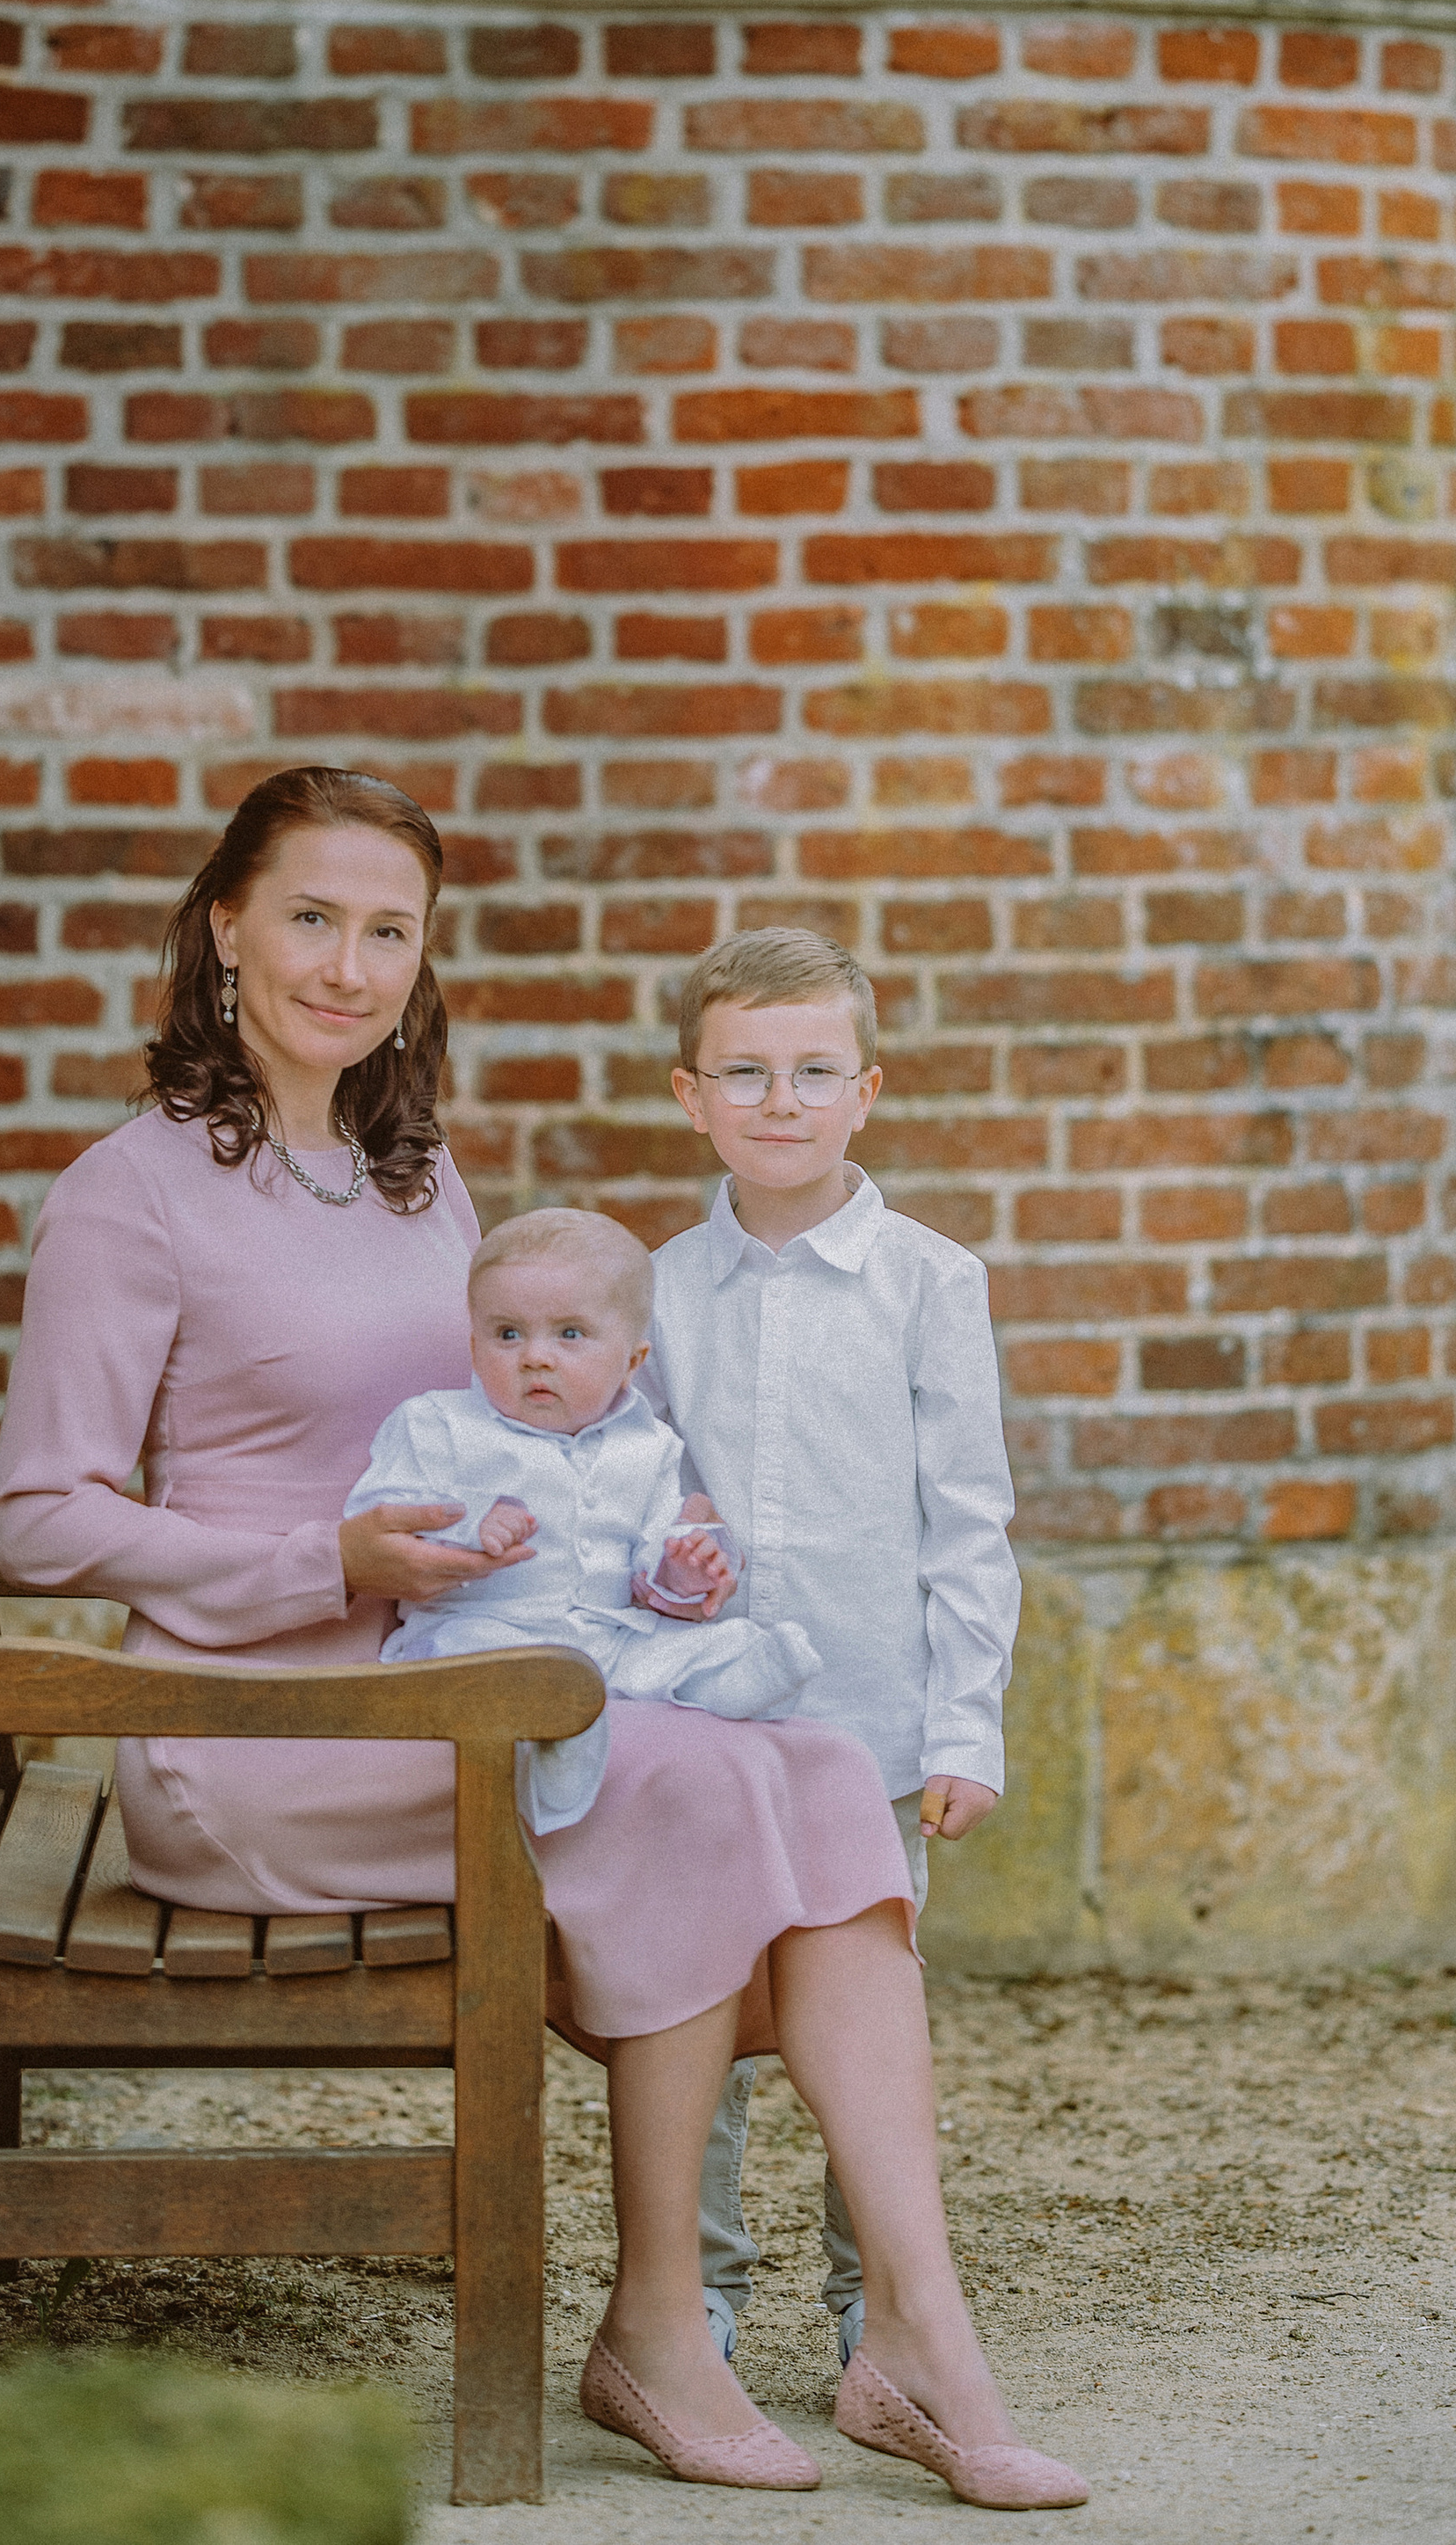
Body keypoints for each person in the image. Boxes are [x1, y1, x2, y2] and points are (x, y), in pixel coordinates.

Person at [0, 766, 1084, 2508]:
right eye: (310, 917)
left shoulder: (411, 1176)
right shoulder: (137, 1193)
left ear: (420, 964)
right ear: (224, 929)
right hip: (260, 1736)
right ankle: (665, 2328)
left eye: (388, 931)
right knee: (705, 1786)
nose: (346, 963)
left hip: (448, 1685)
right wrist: (323, 1560)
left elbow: (527, 1445)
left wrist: (651, 1553)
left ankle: (915, 2338)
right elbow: (39, 1514)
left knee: (808, 1771)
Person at [646, 926, 1021, 2370]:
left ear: (867, 1089)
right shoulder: (663, 1290)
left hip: (871, 1722)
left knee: (869, 2034)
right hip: (708, 1738)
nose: (779, 1099)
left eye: (812, 1070)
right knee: (707, 2015)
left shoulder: (932, 1280)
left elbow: (969, 1517)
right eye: (745, 1071)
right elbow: (634, 1494)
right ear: (693, 1094)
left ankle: (882, 2313)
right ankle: (703, 2302)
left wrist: (963, 1725)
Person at [344, 1204, 819, 1830]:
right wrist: (468, 1524)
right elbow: (376, 1518)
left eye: (569, 1334)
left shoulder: (650, 1448)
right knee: (513, 1674)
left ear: (630, 1360)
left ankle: (736, 1676)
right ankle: (557, 1738)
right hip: (480, 1632)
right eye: (508, 1334)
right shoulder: (436, 1424)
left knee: (695, 1645)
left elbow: (649, 1575)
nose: (535, 1356)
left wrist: (682, 1570)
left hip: (602, 1633)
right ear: (474, 1343)